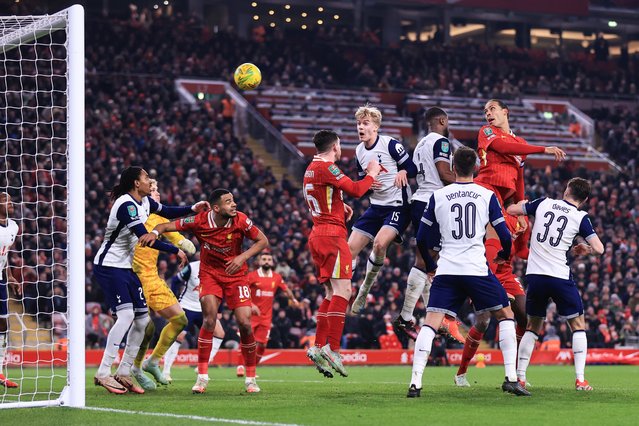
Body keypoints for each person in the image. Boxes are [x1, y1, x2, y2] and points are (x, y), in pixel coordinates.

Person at [454, 99, 567, 387]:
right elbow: (507, 149)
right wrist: (542, 149)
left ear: (505, 112)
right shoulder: (487, 134)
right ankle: (462, 372)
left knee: (523, 316)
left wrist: (523, 208)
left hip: (505, 209)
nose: (487, 114)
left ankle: (517, 373)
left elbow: (518, 176)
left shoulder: (518, 142)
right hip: (485, 191)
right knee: (482, 320)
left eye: (492, 109)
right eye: (485, 111)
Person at [407, 147, 529, 398]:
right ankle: (511, 378)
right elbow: (504, 233)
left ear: (453, 168)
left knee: (431, 323)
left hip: (447, 268)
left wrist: (430, 267)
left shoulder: (438, 196)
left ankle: (415, 383)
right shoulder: (486, 195)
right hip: (476, 268)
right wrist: (505, 253)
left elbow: (420, 237)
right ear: (476, 167)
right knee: (505, 315)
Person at [139, 188, 269, 394]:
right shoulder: (199, 221)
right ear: (216, 208)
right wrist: (153, 232)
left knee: (245, 324)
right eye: (228, 202)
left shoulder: (241, 220)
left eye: (233, 200)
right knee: (209, 320)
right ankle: (202, 377)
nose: (234, 204)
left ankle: (251, 378)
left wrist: (242, 257)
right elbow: (165, 225)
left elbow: (263, 240)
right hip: (210, 275)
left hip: (237, 276)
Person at [92, 166, 209, 394]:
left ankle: (125, 372)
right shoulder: (126, 205)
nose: (150, 181)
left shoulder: (145, 203)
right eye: (146, 178)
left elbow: (167, 210)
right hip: (109, 266)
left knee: (143, 321)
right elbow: (144, 238)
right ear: (136, 183)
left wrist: (193, 208)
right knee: (126, 316)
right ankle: (104, 372)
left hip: (127, 268)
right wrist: (175, 250)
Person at [507, 177, 604, 391]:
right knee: (578, 325)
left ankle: (520, 377)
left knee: (533, 326)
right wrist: (583, 248)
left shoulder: (544, 202)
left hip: (535, 275)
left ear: (566, 189)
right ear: (585, 199)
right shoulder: (580, 217)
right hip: (559, 275)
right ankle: (580, 379)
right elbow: (599, 249)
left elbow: (514, 209)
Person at [303, 129, 381, 378]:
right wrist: (372, 173)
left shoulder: (311, 168)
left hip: (318, 233)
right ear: (335, 146)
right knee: (344, 291)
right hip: (332, 236)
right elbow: (358, 190)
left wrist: (338, 204)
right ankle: (332, 348)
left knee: (330, 292)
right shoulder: (328, 167)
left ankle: (317, 347)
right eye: (339, 146)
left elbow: (321, 194)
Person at [391, 107, 463, 343]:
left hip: (420, 201)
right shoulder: (442, 143)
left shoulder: (421, 144)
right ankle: (406, 317)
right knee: (425, 263)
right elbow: (444, 173)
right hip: (433, 201)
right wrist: (468, 180)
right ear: (442, 120)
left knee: (429, 263)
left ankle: (432, 316)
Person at [349, 105, 418, 314]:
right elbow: (362, 184)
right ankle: (343, 290)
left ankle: (365, 287)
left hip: (398, 206)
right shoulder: (359, 151)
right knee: (348, 249)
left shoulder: (390, 145)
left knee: (379, 244)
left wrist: (403, 171)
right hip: (376, 207)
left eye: (365, 123)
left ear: (376, 127)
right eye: (359, 123)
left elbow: (413, 167)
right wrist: (368, 186)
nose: (361, 126)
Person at [130, 179, 197, 390]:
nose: (156, 193)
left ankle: (153, 361)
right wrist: (175, 249)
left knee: (180, 319)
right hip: (132, 277)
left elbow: (175, 235)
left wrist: (184, 244)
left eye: (157, 190)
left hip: (153, 278)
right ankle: (135, 368)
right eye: (152, 190)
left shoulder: (159, 217)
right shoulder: (131, 214)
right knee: (146, 328)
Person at [236, 250, 299, 377]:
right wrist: (251, 304)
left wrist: (294, 300)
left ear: (272, 262)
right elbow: (242, 290)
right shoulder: (252, 276)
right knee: (245, 340)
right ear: (259, 261)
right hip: (251, 316)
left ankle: (252, 368)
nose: (266, 261)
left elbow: (286, 289)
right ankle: (240, 367)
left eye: (269, 259)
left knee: (263, 344)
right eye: (264, 259)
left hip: (266, 317)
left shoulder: (277, 277)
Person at [162, 259, 226, 382]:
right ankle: (166, 371)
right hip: (187, 306)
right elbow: (176, 281)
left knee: (219, 333)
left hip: (205, 308)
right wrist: (174, 301)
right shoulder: (192, 267)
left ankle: (203, 365)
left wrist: (219, 310)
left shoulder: (217, 269)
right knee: (179, 336)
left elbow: (221, 289)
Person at [0, 193, 19, 389]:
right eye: (5, 199)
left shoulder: (13, 226)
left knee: (3, 324)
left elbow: (5, 254)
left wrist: (10, 276)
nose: (10, 202)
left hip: (0, 281)